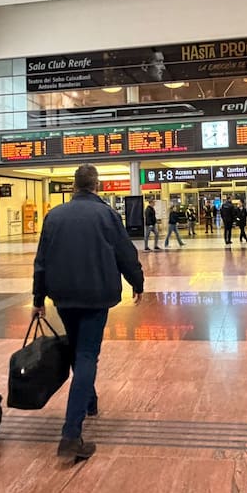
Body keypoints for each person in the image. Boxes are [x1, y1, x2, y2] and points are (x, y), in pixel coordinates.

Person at [32, 164, 144, 462]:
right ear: (97, 186)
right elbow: (125, 253)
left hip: (64, 296)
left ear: (73, 186)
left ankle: (89, 401)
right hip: (96, 296)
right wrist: (137, 282)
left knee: (76, 350)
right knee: (85, 356)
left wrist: (38, 297)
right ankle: (71, 434)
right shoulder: (106, 214)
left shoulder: (54, 215)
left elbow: (41, 259)